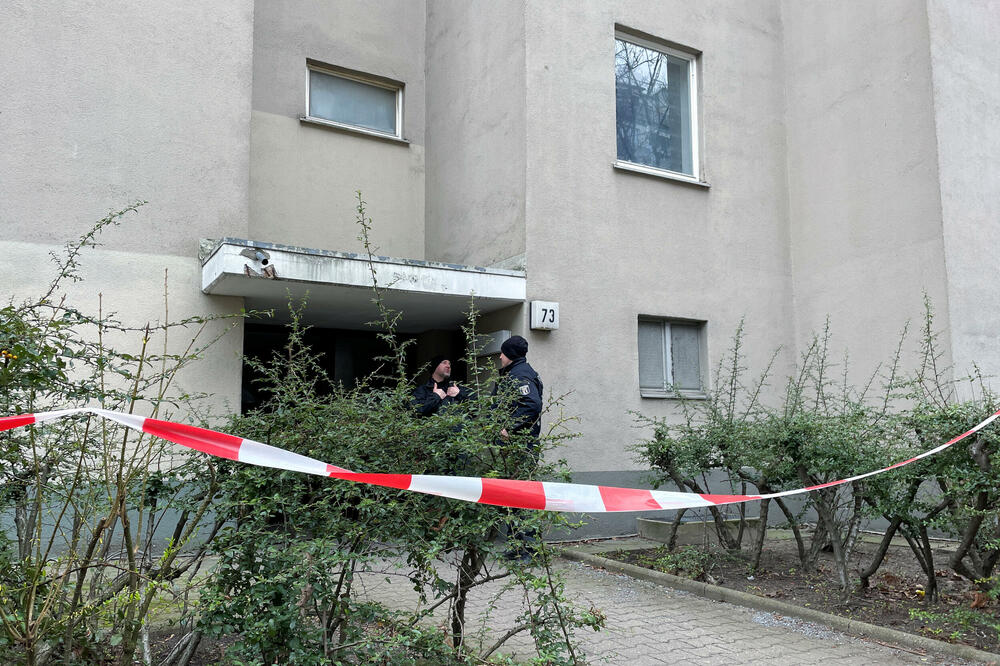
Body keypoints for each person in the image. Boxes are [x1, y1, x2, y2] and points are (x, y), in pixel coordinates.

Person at [492, 335, 544, 562]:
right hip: (514, 446)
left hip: (522, 445)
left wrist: (510, 429)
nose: (500, 357)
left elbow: (532, 404)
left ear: (510, 355)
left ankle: (530, 550)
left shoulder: (520, 374)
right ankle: (517, 545)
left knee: (524, 497)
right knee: (513, 497)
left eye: (502, 353)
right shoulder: (514, 373)